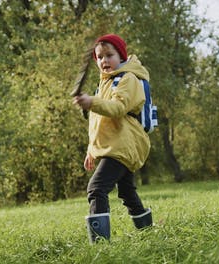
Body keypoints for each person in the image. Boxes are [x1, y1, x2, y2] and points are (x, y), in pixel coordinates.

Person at [73, 34, 153, 243]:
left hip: (125, 144)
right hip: (115, 145)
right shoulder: (104, 84)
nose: (104, 61)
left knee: (96, 188)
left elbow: (118, 109)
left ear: (121, 56)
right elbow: (98, 122)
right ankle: (148, 232)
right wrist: (91, 149)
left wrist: (92, 102)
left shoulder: (128, 79)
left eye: (110, 55)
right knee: (126, 191)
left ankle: (100, 244)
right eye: (99, 57)